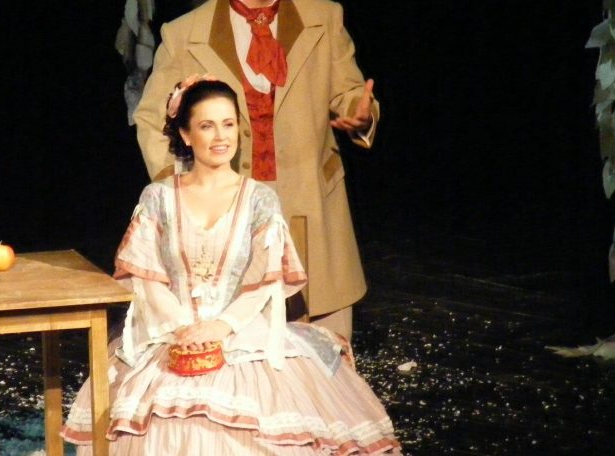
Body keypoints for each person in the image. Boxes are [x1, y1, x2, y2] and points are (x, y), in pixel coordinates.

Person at [62, 79, 399, 455]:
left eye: (228, 123)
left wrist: (221, 327)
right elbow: (146, 277)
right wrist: (184, 329)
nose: (221, 136)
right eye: (207, 125)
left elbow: (265, 281)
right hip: (172, 332)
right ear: (186, 135)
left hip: (240, 333)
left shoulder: (259, 199)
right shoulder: (159, 196)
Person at [133, 0, 378, 341]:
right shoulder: (185, 33)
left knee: (321, 347)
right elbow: (151, 119)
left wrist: (359, 114)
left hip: (308, 203)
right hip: (231, 211)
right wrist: (181, 191)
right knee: (233, 339)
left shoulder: (323, 17)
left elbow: (348, 92)